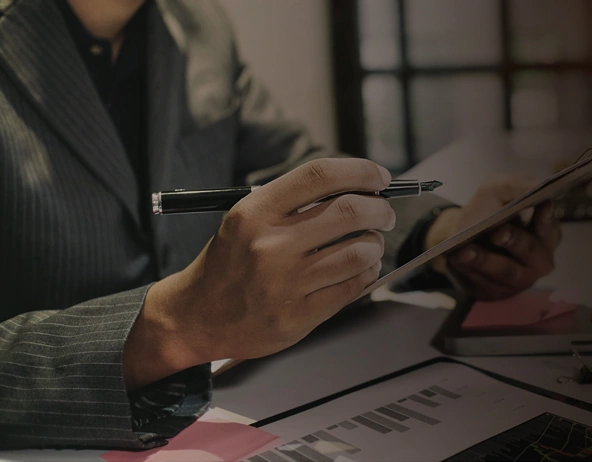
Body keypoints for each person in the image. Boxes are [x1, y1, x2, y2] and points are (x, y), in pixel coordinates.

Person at [0, 0, 560, 450]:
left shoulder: (197, 24)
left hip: (246, 411)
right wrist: (173, 324)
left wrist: (447, 236)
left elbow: (289, 168)